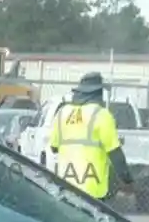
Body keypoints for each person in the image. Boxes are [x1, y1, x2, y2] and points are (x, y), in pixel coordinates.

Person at [46, 72, 132, 201]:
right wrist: (127, 181)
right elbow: (115, 154)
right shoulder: (102, 115)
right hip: (93, 192)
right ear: (98, 94)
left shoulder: (62, 113)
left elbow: (54, 148)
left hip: (65, 189)